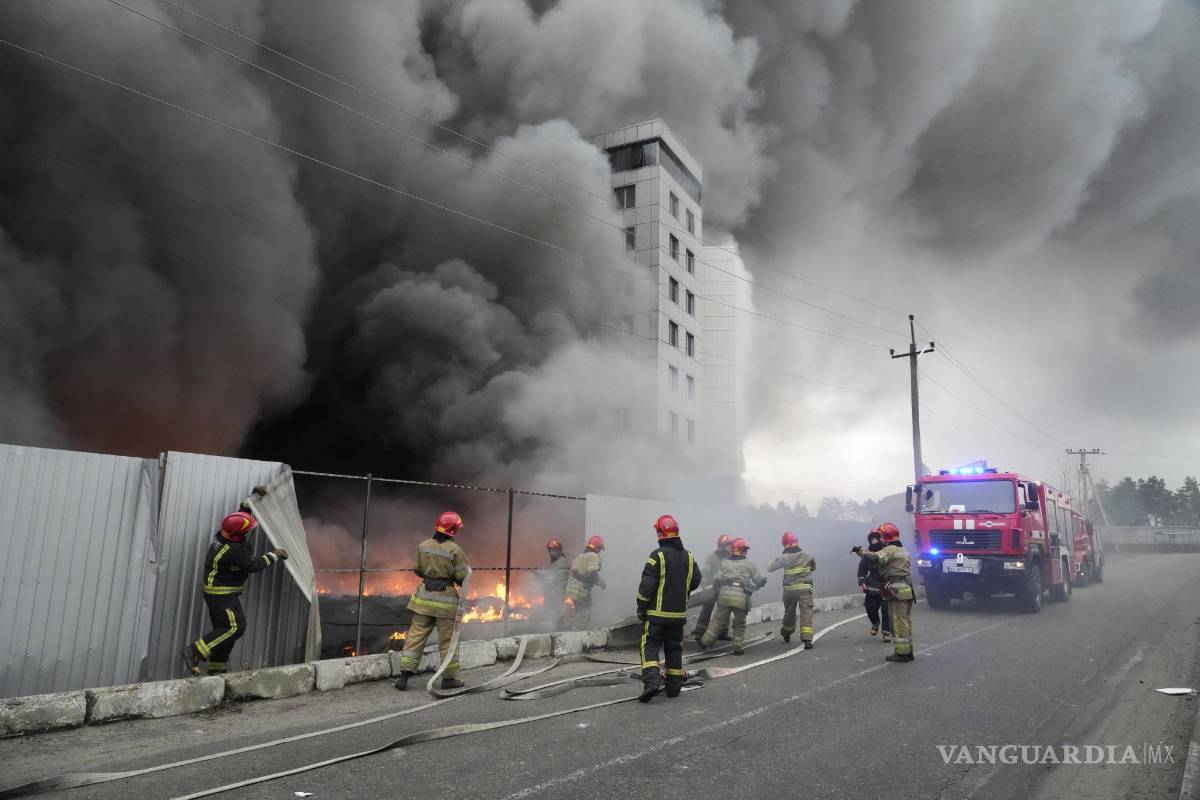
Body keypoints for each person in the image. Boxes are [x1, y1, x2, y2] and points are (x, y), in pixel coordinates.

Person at [181, 510, 288, 676]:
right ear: (238, 535)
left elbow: (237, 521)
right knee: (235, 627)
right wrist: (273, 555)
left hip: (216, 592)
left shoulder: (223, 535)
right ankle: (194, 652)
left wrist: (248, 504)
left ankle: (216, 674)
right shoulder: (234, 551)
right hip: (222, 594)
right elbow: (253, 565)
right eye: (246, 531)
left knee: (224, 635)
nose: (248, 532)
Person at [395, 511, 470, 691]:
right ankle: (449, 678)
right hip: (445, 603)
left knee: (415, 637)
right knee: (448, 641)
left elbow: (418, 570)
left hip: (423, 600)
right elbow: (462, 577)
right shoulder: (455, 550)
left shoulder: (423, 545)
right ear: (454, 530)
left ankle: (404, 676)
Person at [636, 515, 702, 702]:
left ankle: (652, 682)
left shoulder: (657, 556)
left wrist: (641, 607)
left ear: (659, 533)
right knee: (674, 648)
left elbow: (646, 587)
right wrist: (682, 590)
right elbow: (696, 580)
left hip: (656, 615)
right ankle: (674, 686)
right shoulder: (689, 557)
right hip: (678, 615)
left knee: (649, 646)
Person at [852, 522, 914, 663]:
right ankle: (908, 651)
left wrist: (861, 551)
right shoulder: (902, 549)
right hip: (906, 588)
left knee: (898, 622)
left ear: (885, 536)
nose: (879, 539)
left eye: (881, 536)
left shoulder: (891, 550)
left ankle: (902, 654)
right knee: (905, 620)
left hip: (896, 589)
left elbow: (875, 558)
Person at [699, 537, 767, 654]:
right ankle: (737, 647)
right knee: (739, 623)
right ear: (744, 551)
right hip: (740, 598)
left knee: (718, 620)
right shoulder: (749, 564)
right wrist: (762, 581)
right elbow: (757, 580)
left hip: (724, 596)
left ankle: (705, 642)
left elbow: (716, 579)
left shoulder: (725, 563)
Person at [768, 531, 815, 648]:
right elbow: (813, 567)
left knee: (789, 613)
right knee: (806, 612)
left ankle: (787, 633)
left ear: (785, 544)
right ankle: (807, 639)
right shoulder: (807, 555)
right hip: (805, 589)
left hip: (790, 590)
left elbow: (770, 568)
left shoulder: (783, 557)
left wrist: (775, 559)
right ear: (796, 542)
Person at [690, 534, 733, 642]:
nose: (729, 547)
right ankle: (700, 631)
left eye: (730, 545)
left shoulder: (731, 557)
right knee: (707, 609)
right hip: (710, 589)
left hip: (724, 589)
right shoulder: (712, 557)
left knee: (725, 610)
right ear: (721, 546)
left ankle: (722, 633)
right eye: (727, 545)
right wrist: (704, 583)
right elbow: (705, 571)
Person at [857, 527, 893, 642]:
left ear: (880, 538)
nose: (874, 540)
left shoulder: (887, 552)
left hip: (886, 585)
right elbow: (862, 570)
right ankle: (875, 622)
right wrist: (862, 582)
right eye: (872, 538)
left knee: (886, 610)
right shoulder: (867, 555)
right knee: (870, 608)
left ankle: (886, 633)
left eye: (876, 537)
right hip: (872, 586)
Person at [565, 536, 606, 626]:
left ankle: (575, 631)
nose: (599, 551)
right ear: (596, 547)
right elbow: (592, 574)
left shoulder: (580, 556)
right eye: (599, 549)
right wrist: (601, 583)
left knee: (579, 614)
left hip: (572, 590)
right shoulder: (594, 556)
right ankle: (577, 635)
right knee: (584, 616)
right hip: (580, 590)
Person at [538, 537, 570, 619]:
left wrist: (544, 577)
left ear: (559, 550)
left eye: (553, 550)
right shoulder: (555, 562)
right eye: (550, 551)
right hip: (551, 595)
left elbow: (559, 578)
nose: (551, 553)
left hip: (557, 596)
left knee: (555, 617)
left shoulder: (562, 562)